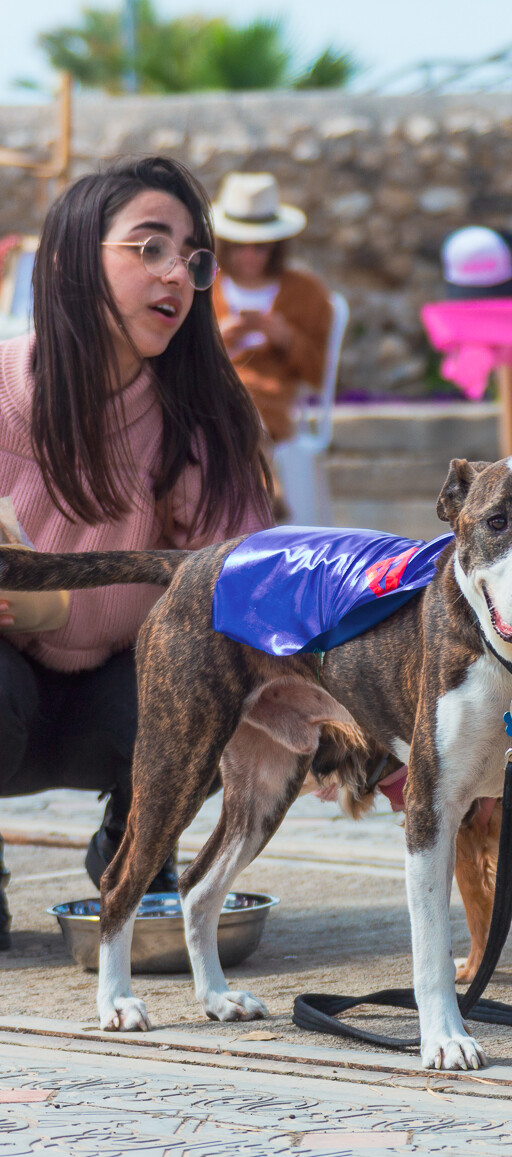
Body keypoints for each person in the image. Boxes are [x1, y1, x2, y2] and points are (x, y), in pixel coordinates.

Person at [0, 156, 273, 949]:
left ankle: (137, 848)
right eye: (149, 247)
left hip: (117, 693)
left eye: (193, 258)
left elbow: (242, 586)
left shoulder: (200, 419)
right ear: (70, 263)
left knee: (201, 673)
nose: (177, 276)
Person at [212, 172, 332, 445]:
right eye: (239, 246)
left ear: (276, 247)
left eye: (260, 247)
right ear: (225, 245)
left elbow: (322, 371)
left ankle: (255, 472)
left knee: (242, 402)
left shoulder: (306, 292)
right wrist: (217, 340)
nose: (250, 255)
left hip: (272, 394)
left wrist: (287, 339)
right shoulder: (203, 285)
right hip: (211, 385)